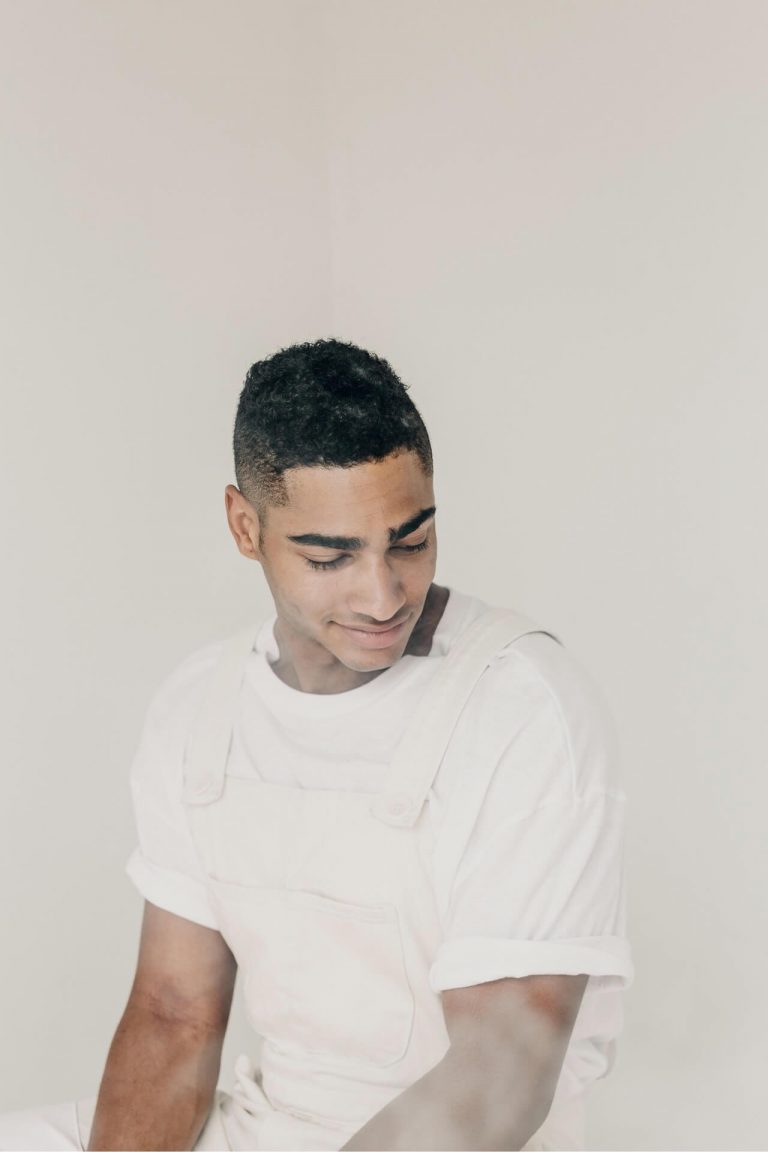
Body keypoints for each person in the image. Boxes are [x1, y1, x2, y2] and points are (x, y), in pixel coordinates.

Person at [0, 339, 633, 1151]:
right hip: (269, 1126)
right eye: (330, 557)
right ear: (245, 526)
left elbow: (500, 1071)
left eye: (410, 541)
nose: (383, 594)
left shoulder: (523, 706)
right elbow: (174, 1014)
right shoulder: (202, 706)